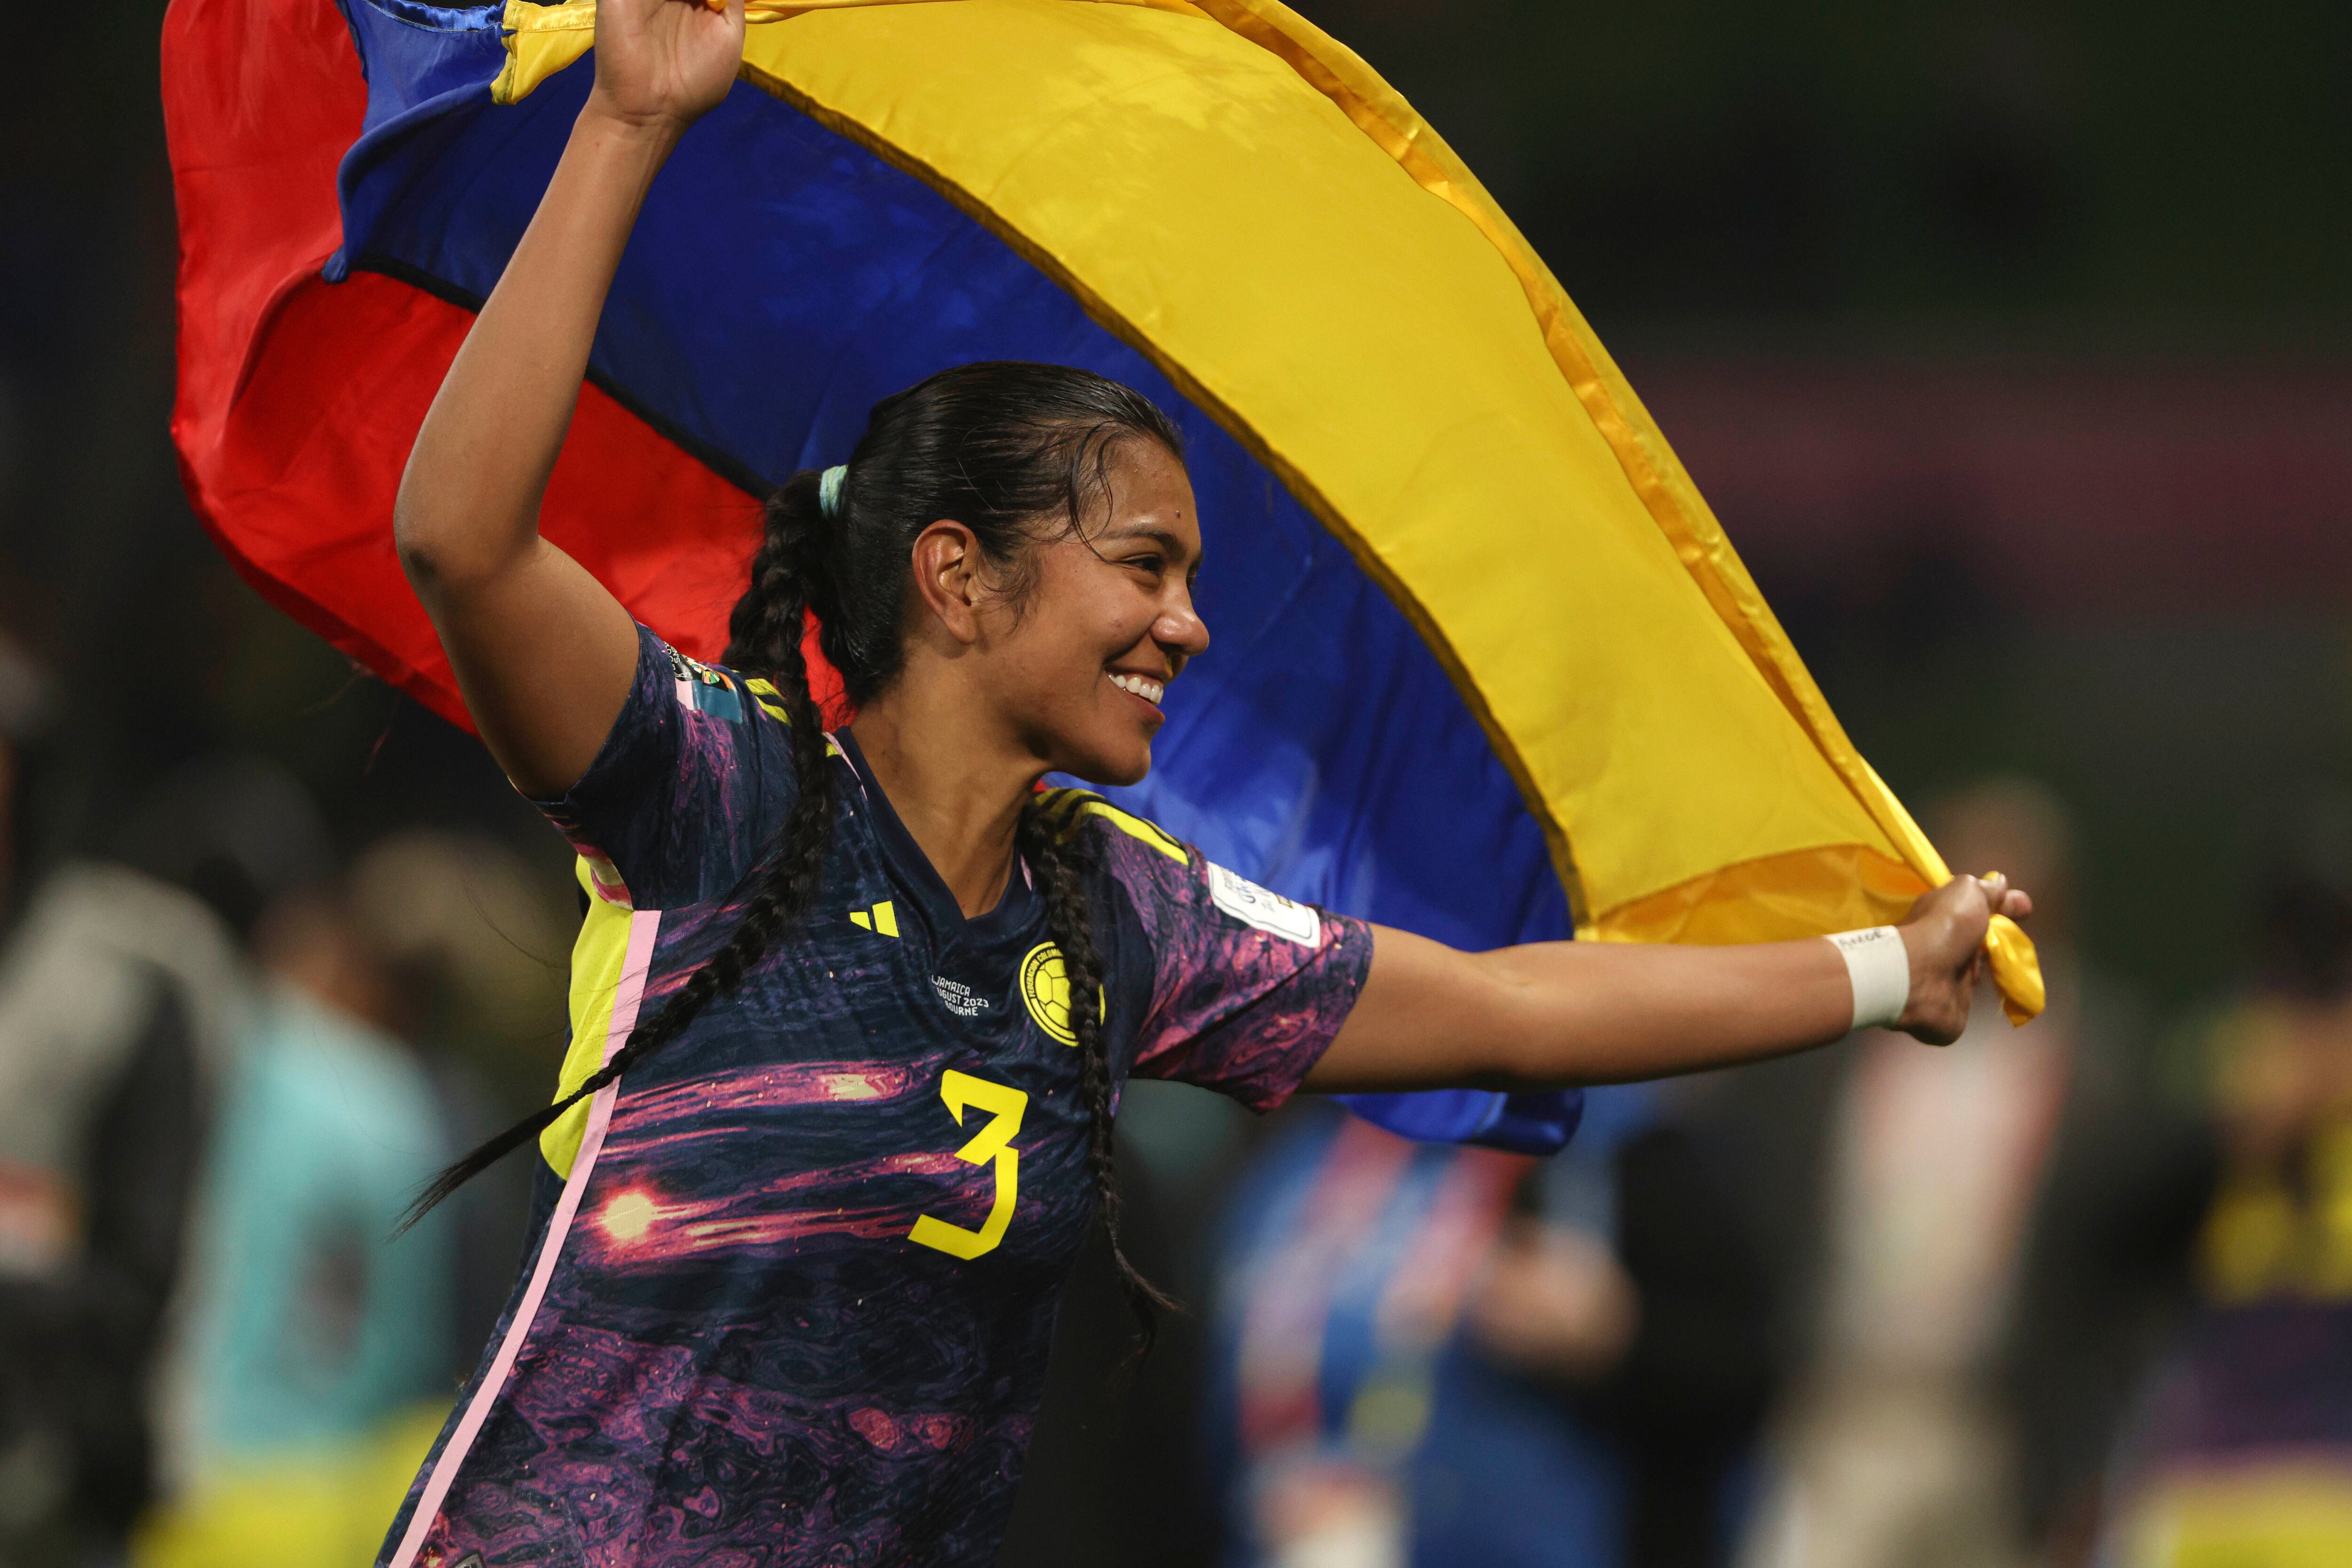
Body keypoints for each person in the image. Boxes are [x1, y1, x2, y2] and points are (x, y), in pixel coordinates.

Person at [371, 3, 2032, 1564]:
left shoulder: (1121, 921)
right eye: (1145, 567)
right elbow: (460, 535)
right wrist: (632, 119)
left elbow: (1517, 1010)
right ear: (959, 578)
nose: (1190, 623)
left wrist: (1888, 970)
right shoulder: (716, 789)